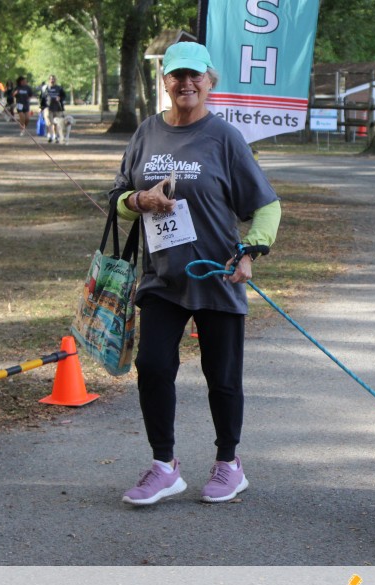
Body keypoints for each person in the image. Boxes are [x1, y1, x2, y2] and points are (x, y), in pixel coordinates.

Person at [111, 42, 281, 506]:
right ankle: (164, 467)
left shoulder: (224, 137)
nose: (186, 83)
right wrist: (140, 200)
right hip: (162, 278)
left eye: (195, 75)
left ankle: (229, 464)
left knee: (222, 377)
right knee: (152, 367)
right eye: (177, 75)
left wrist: (249, 252)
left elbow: (267, 205)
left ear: (209, 81)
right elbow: (118, 197)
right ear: (165, 81)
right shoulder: (147, 132)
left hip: (216, 275)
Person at [40, 74, 66, 144]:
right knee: (49, 122)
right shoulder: (45, 88)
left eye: (53, 79)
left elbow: (64, 96)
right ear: (49, 80)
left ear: (55, 80)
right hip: (47, 107)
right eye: (51, 79)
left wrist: (60, 98)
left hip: (57, 108)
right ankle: (49, 135)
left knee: (56, 123)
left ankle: (55, 136)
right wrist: (41, 107)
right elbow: (42, 98)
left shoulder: (59, 88)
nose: (52, 80)